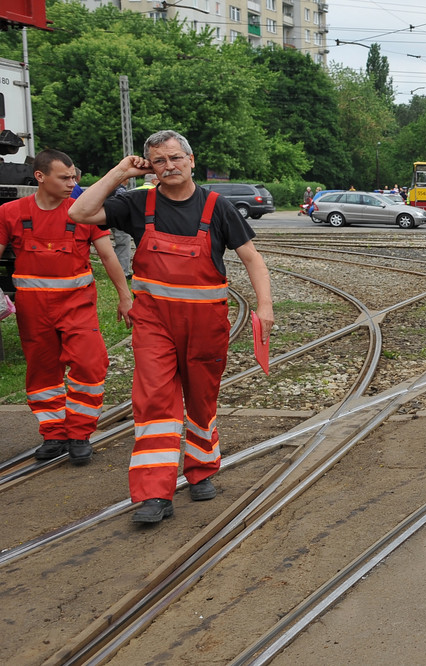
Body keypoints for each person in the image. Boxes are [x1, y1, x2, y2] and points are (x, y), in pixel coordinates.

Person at [70, 130, 274, 525]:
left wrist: (264, 307)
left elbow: (252, 258)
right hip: (154, 323)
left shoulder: (217, 206)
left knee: (201, 400)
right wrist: (119, 173)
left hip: (205, 325)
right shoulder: (135, 202)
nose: (169, 166)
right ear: (150, 166)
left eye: (176, 158)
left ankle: (201, 468)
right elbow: (79, 214)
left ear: (191, 160)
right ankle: (153, 494)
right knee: (155, 404)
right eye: (159, 161)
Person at [0, 149, 133, 465]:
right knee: (42, 372)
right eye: (65, 177)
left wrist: (125, 296)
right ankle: (54, 434)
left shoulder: (82, 212)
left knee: (91, 364)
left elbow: (108, 255)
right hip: (34, 310)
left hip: (77, 306)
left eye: (74, 177)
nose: (72, 183)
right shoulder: (10, 212)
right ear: (40, 177)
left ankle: (79, 432)